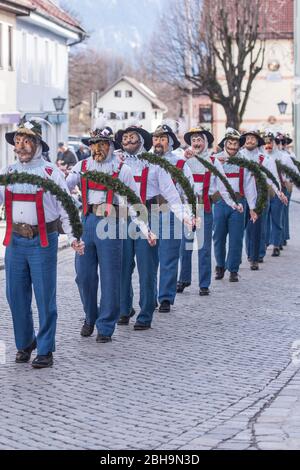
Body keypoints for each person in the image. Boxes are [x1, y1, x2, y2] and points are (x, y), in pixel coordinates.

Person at [0, 120, 84, 369]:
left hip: (43, 241)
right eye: (17, 141)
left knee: (45, 296)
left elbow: (66, 207)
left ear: (37, 145)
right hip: (15, 241)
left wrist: (74, 236)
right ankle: (25, 343)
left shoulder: (51, 173)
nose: (21, 146)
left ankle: (45, 349)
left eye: (26, 141)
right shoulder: (10, 172)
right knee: (15, 295)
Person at [66, 123, 154, 341]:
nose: (97, 148)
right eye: (94, 144)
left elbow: (134, 201)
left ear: (110, 145)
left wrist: (145, 229)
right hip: (86, 222)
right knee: (83, 276)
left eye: (102, 144)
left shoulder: (121, 169)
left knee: (110, 277)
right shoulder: (82, 165)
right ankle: (90, 316)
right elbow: (63, 187)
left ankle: (105, 326)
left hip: (111, 223)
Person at [115, 124, 192, 328]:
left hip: (149, 216)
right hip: (123, 216)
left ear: (141, 141)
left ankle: (145, 313)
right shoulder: (117, 162)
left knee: (146, 267)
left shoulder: (156, 164)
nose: (128, 140)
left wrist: (184, 215)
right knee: (122, 266)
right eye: (125, 137)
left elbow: (170, 193)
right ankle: (123, 309)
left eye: (133, 137)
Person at [177, 127, 241, 296]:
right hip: (187, 209)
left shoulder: (213, 161)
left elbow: (224, 185)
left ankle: (204, 284)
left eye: (199, 140)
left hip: (204, 208)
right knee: (185, 246)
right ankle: (183, 279)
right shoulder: (184, 159)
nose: (196, 143)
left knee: (204, 248)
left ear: (206, 142)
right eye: (194, 140)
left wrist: (233, 203)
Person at [151, 124, 195, 313]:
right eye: (156, 138)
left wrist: (189, 215)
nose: (158, 142)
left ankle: (166, 297)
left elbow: (188, 191)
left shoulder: (179, 164)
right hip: (148, 211)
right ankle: (149, 295)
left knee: (169, 257)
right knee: (149, 259)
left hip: (171, 212)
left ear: (169, 142)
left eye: (162, 138)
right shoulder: (145, 161)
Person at [213, 129, 257, 282]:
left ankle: (233, 269)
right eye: (229, 142)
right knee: (218, 236)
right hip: (219, 203)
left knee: (236, 238)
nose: (232, 146)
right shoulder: (215, 159)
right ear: (225, 143)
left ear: (239, 145)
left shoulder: (244, 161)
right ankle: (220, 265)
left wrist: (252, 207)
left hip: (239, 203)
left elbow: (249, 185)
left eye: (235, 143)